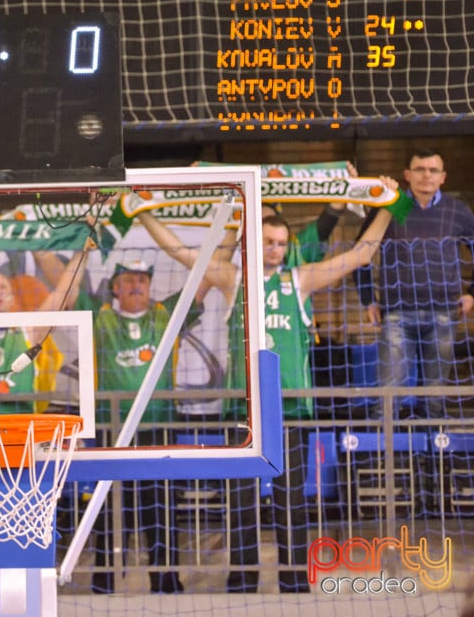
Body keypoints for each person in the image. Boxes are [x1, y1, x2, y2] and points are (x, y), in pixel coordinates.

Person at [135, 185, 403, 592]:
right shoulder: (232, 277)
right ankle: (242, 580)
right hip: (243, 409)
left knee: (292, 502)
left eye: (281, 243)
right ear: (252, 242)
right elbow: (182, 254)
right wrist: (143, 213)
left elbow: (362, 255)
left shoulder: (300, 278)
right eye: (268, 242)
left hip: (290, 410)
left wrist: (387, 206)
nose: (275, 249)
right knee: (241, 502)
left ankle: (295, 581)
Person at [91, 259, 199, 595]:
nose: (137, 284)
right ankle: (104, 584)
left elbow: (204, 280)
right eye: (129, 279)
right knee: (109, 511)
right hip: (112, 430)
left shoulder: (164, 316)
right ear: (115, 287)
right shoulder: (100, 318)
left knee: (162, 510)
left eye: (143, 279)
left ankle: (166, 582)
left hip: (159, 426)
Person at [355, 149, 474, 420]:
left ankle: (431, 459)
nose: (426, 175)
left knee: (434, 397)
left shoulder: (458, 211)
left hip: (444, 314)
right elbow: (359, 253)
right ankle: (383, 459)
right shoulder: (391, 207)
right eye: (420, 169)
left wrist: (472, 294)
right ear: (408, 175)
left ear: (443, 177)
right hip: (396, 314)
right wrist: (367, 299)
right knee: (387, 396)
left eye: (433, 170)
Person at [0, 247, 89, 416]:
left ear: (12, 299)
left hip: (22, 430)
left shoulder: (28, 333)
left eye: (3, 286)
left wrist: (82, 253)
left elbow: (62, 293)